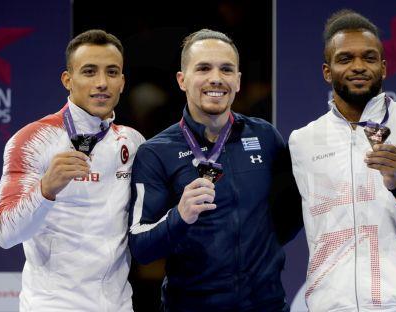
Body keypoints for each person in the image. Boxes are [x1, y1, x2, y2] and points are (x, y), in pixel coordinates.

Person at [289, 10, 396, 312]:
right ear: (327, 72)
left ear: (383, 68)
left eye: (369, 58)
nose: (358, 67)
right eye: (345, 59)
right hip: (329, 306)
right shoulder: (302, 142)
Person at [128, 29, 300, 311]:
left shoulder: (266, 137)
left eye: (226, 69)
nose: (216, 78)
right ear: (182, 80)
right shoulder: (156, 152)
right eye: (204, 68)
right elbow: (141, 247)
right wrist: (179, 217)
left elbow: (287, 217)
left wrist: (260, 247)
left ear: (238, 81)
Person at [0, 29, 144, 311]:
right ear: (68, 80)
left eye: (112, 72)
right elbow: (4, 233)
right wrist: (45, 188)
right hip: (53, 306)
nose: (102, 83)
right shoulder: (32, 139)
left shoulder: (133, 142)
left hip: (119, 304)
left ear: (122, 82)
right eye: (89, 71)